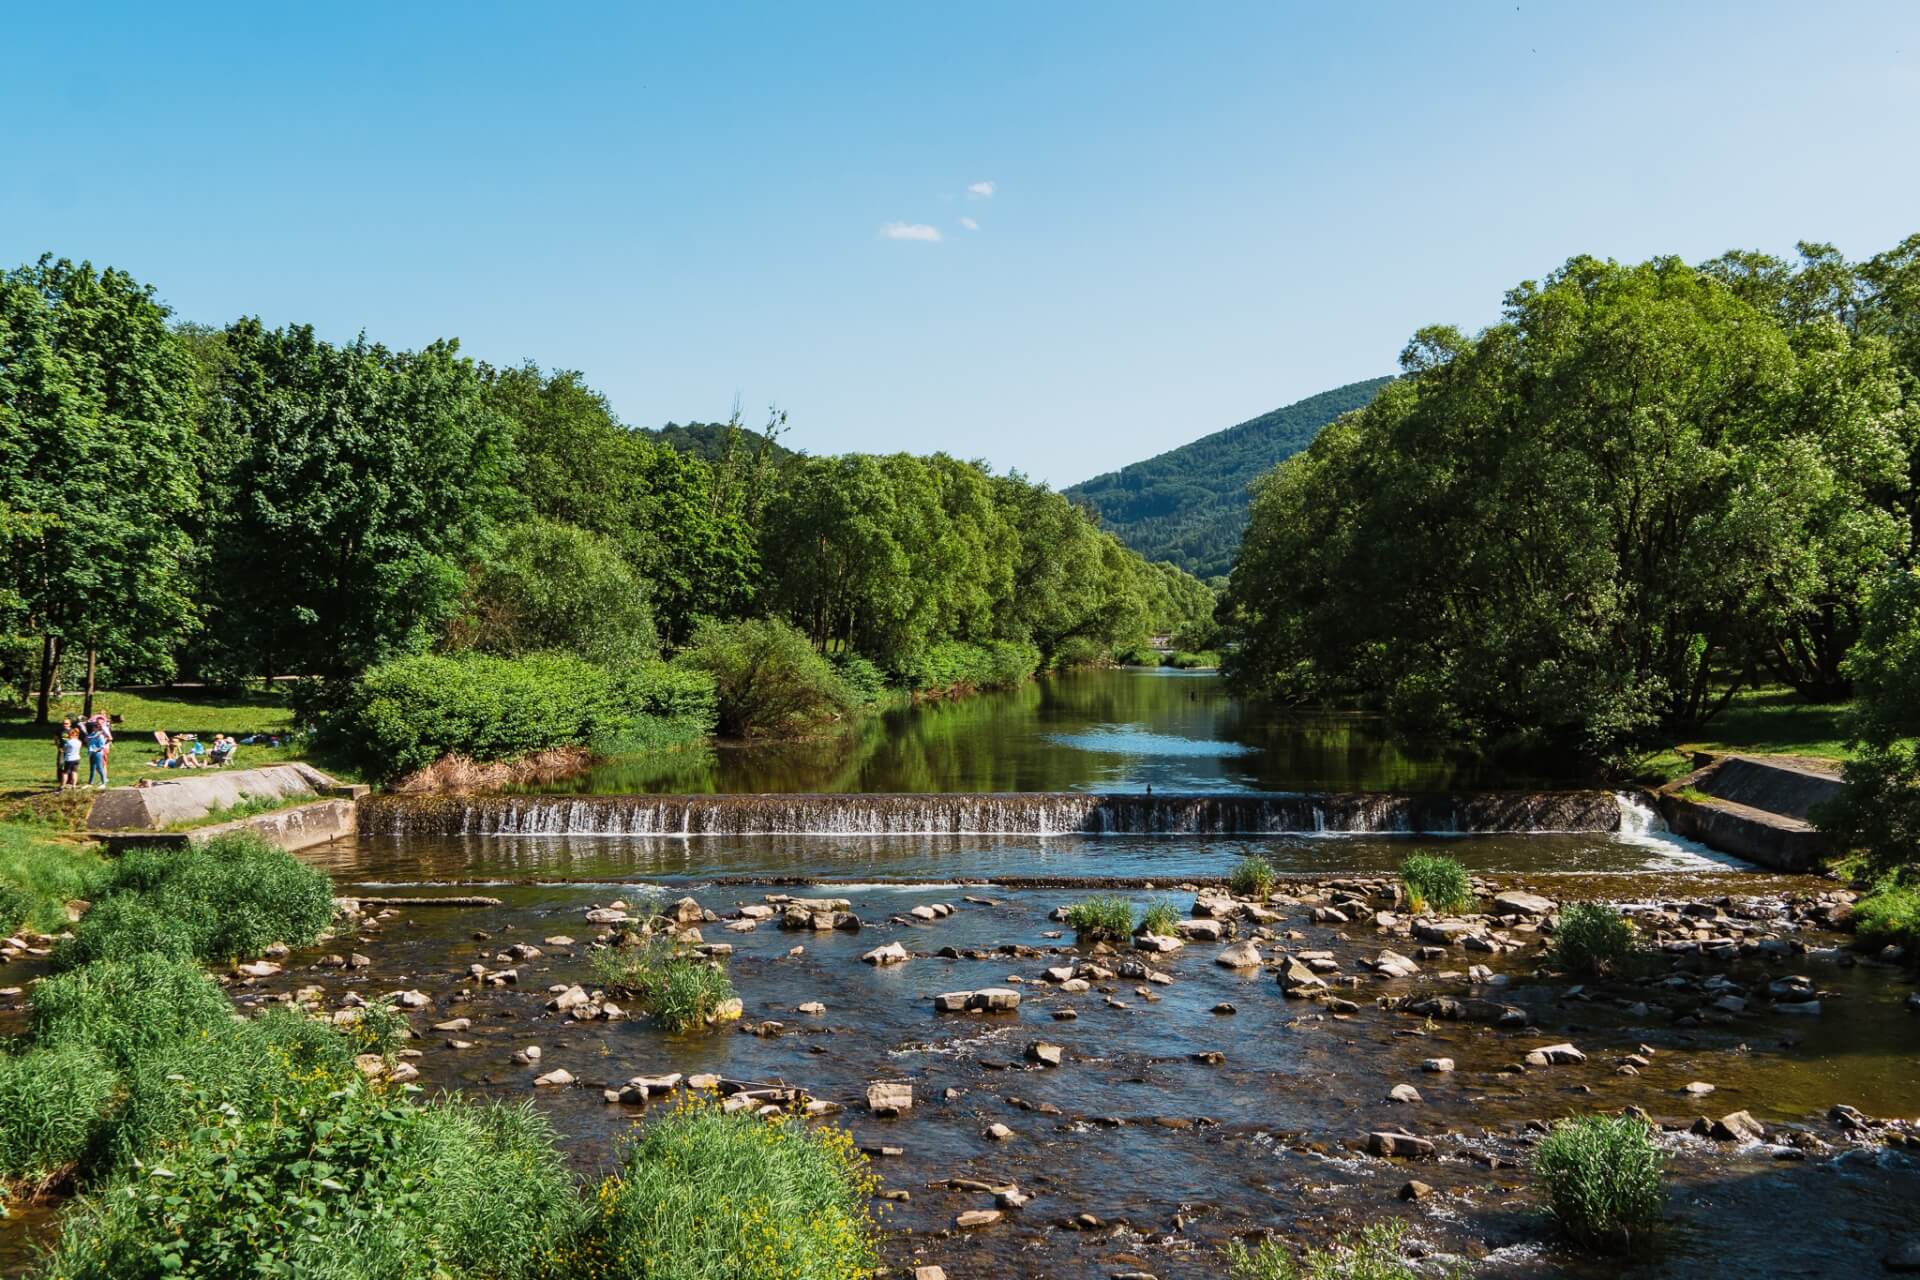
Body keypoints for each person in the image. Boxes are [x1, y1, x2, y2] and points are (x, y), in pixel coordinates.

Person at [86, 721, 109, 787]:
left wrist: (96, 750)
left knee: (99, 768)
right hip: (91, 753)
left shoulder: (100, 736)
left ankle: (103, 783)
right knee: (92, 768)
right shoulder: (92, 734)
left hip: (98, 754)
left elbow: (102, 746)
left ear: (96, 728)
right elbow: (87, 740)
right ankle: (90, 783)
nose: (92, 728)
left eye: (93, 727)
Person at [54, 718, 74, 786]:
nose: (65, 725)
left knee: (70, 764)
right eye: (64, 723)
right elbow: (56, 739)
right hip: (62, 749)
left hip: (70, 750)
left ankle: (70, 780)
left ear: (70, 724)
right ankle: (60, 779)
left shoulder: (72, 731)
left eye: (67, 723)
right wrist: (58, 747)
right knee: (60, 764)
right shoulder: (59, 730)